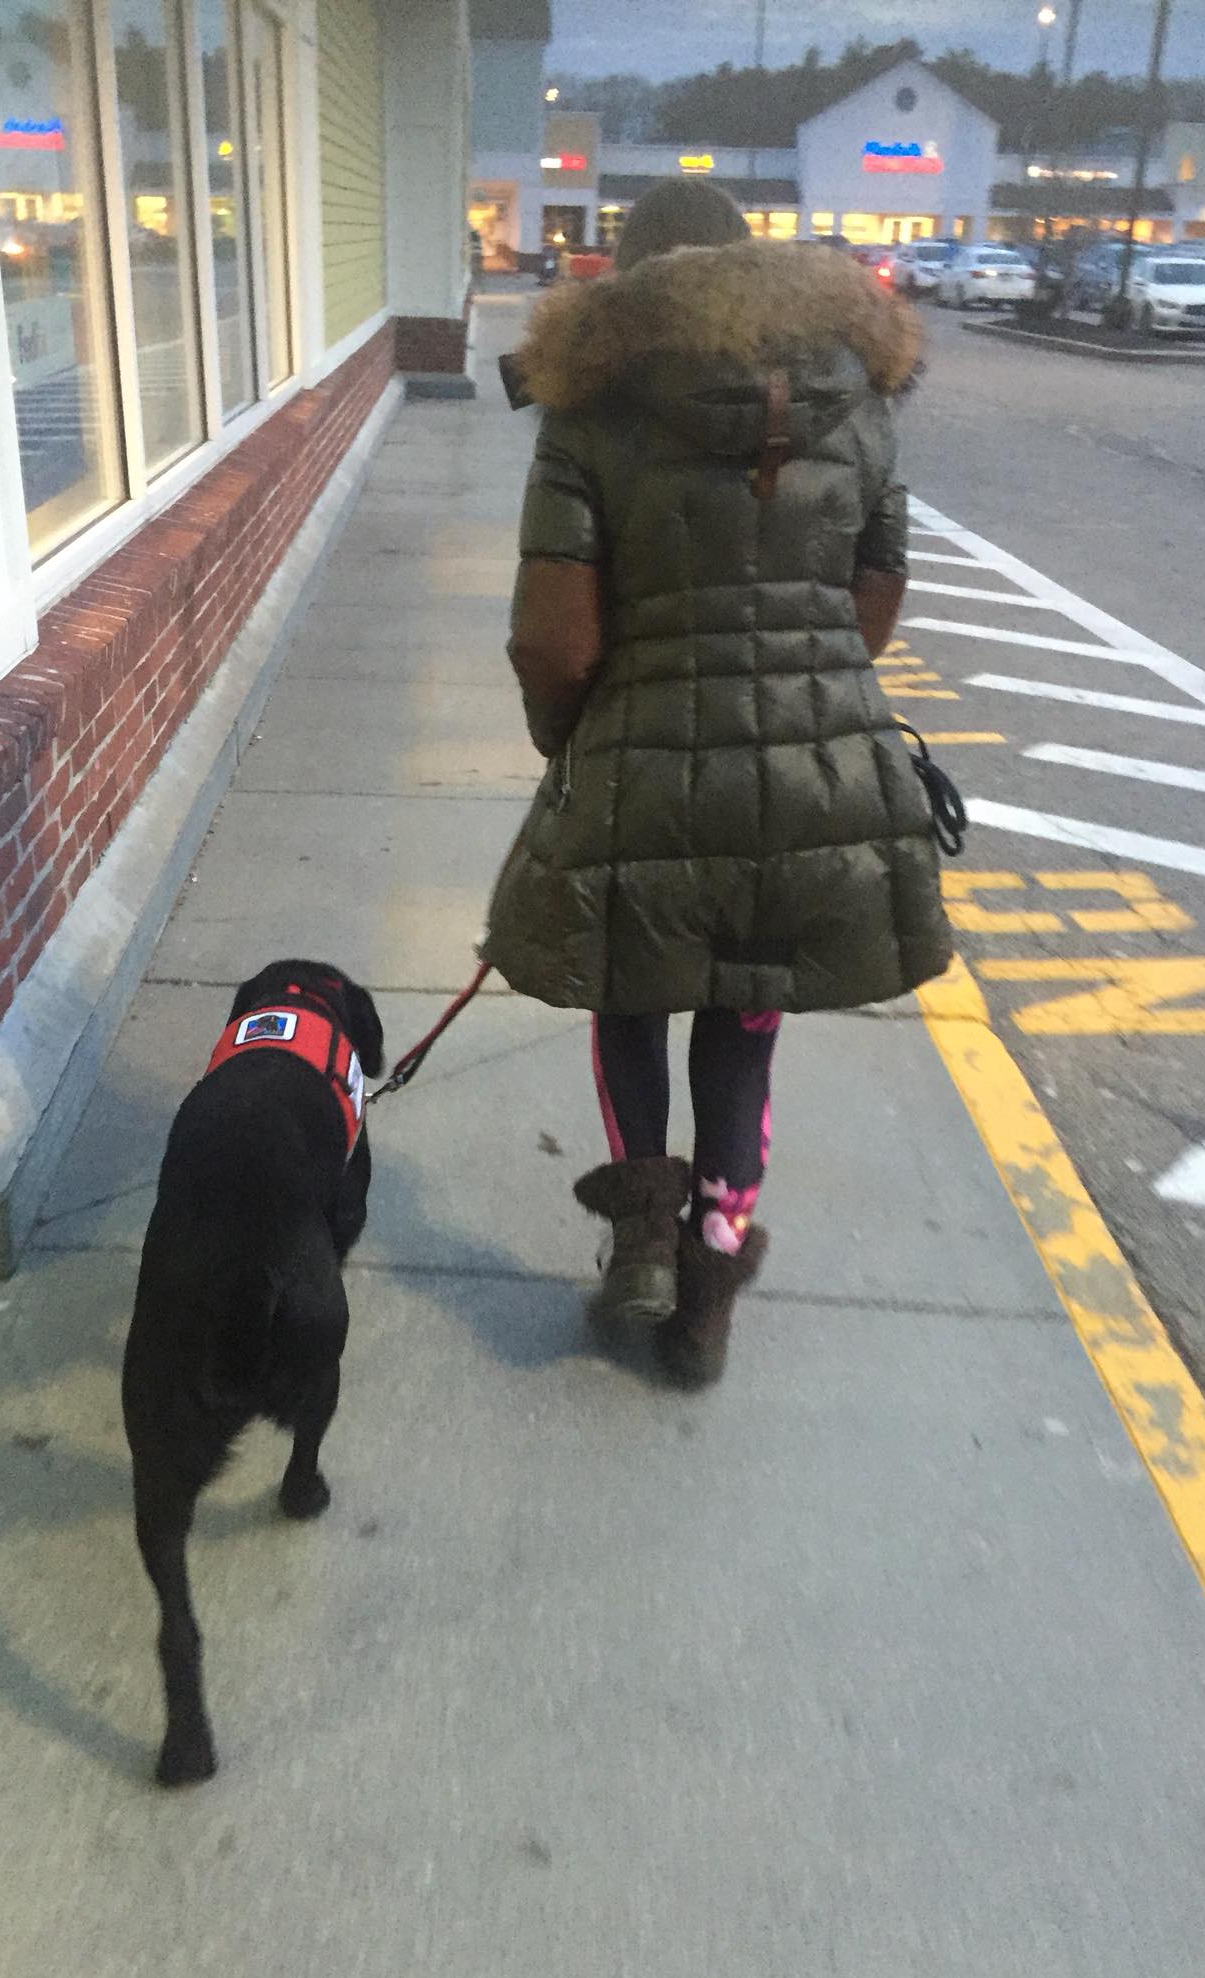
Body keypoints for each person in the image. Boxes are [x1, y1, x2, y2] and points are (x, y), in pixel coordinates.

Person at [481, 180, 954, 1387]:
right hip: (812, 768)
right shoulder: (858, 401)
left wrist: (567, 741)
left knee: (628, 988)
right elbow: (877, 596)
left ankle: (641, 1224)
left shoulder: (593, 407)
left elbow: (556, 638)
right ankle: (712, 1278)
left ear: (631, 283)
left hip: (639, 754)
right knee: (746, 1018)